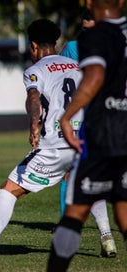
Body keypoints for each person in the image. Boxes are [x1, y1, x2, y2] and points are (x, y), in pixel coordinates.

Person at [0, 18, 85, 263]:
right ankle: (106, 236)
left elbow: (34, 97)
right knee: (95, 188)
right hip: (81, 143)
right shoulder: (76, 66)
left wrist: (33, 123)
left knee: (9, 190)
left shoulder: (34, 70)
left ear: (34, 46)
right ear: (56, 43)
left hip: (54, 146)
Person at [48, 0, 127, 270]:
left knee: (74, 215)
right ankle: (107, 237)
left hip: (104, 132)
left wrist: (67, 115)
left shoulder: (94, 37)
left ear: (90, 4)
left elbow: (93, 77)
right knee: (124, 211)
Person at [59, 10, 117, 257]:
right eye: (86, 29)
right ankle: (104, 235)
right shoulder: (72, 47)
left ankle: (72, 226)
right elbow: (58, 78)